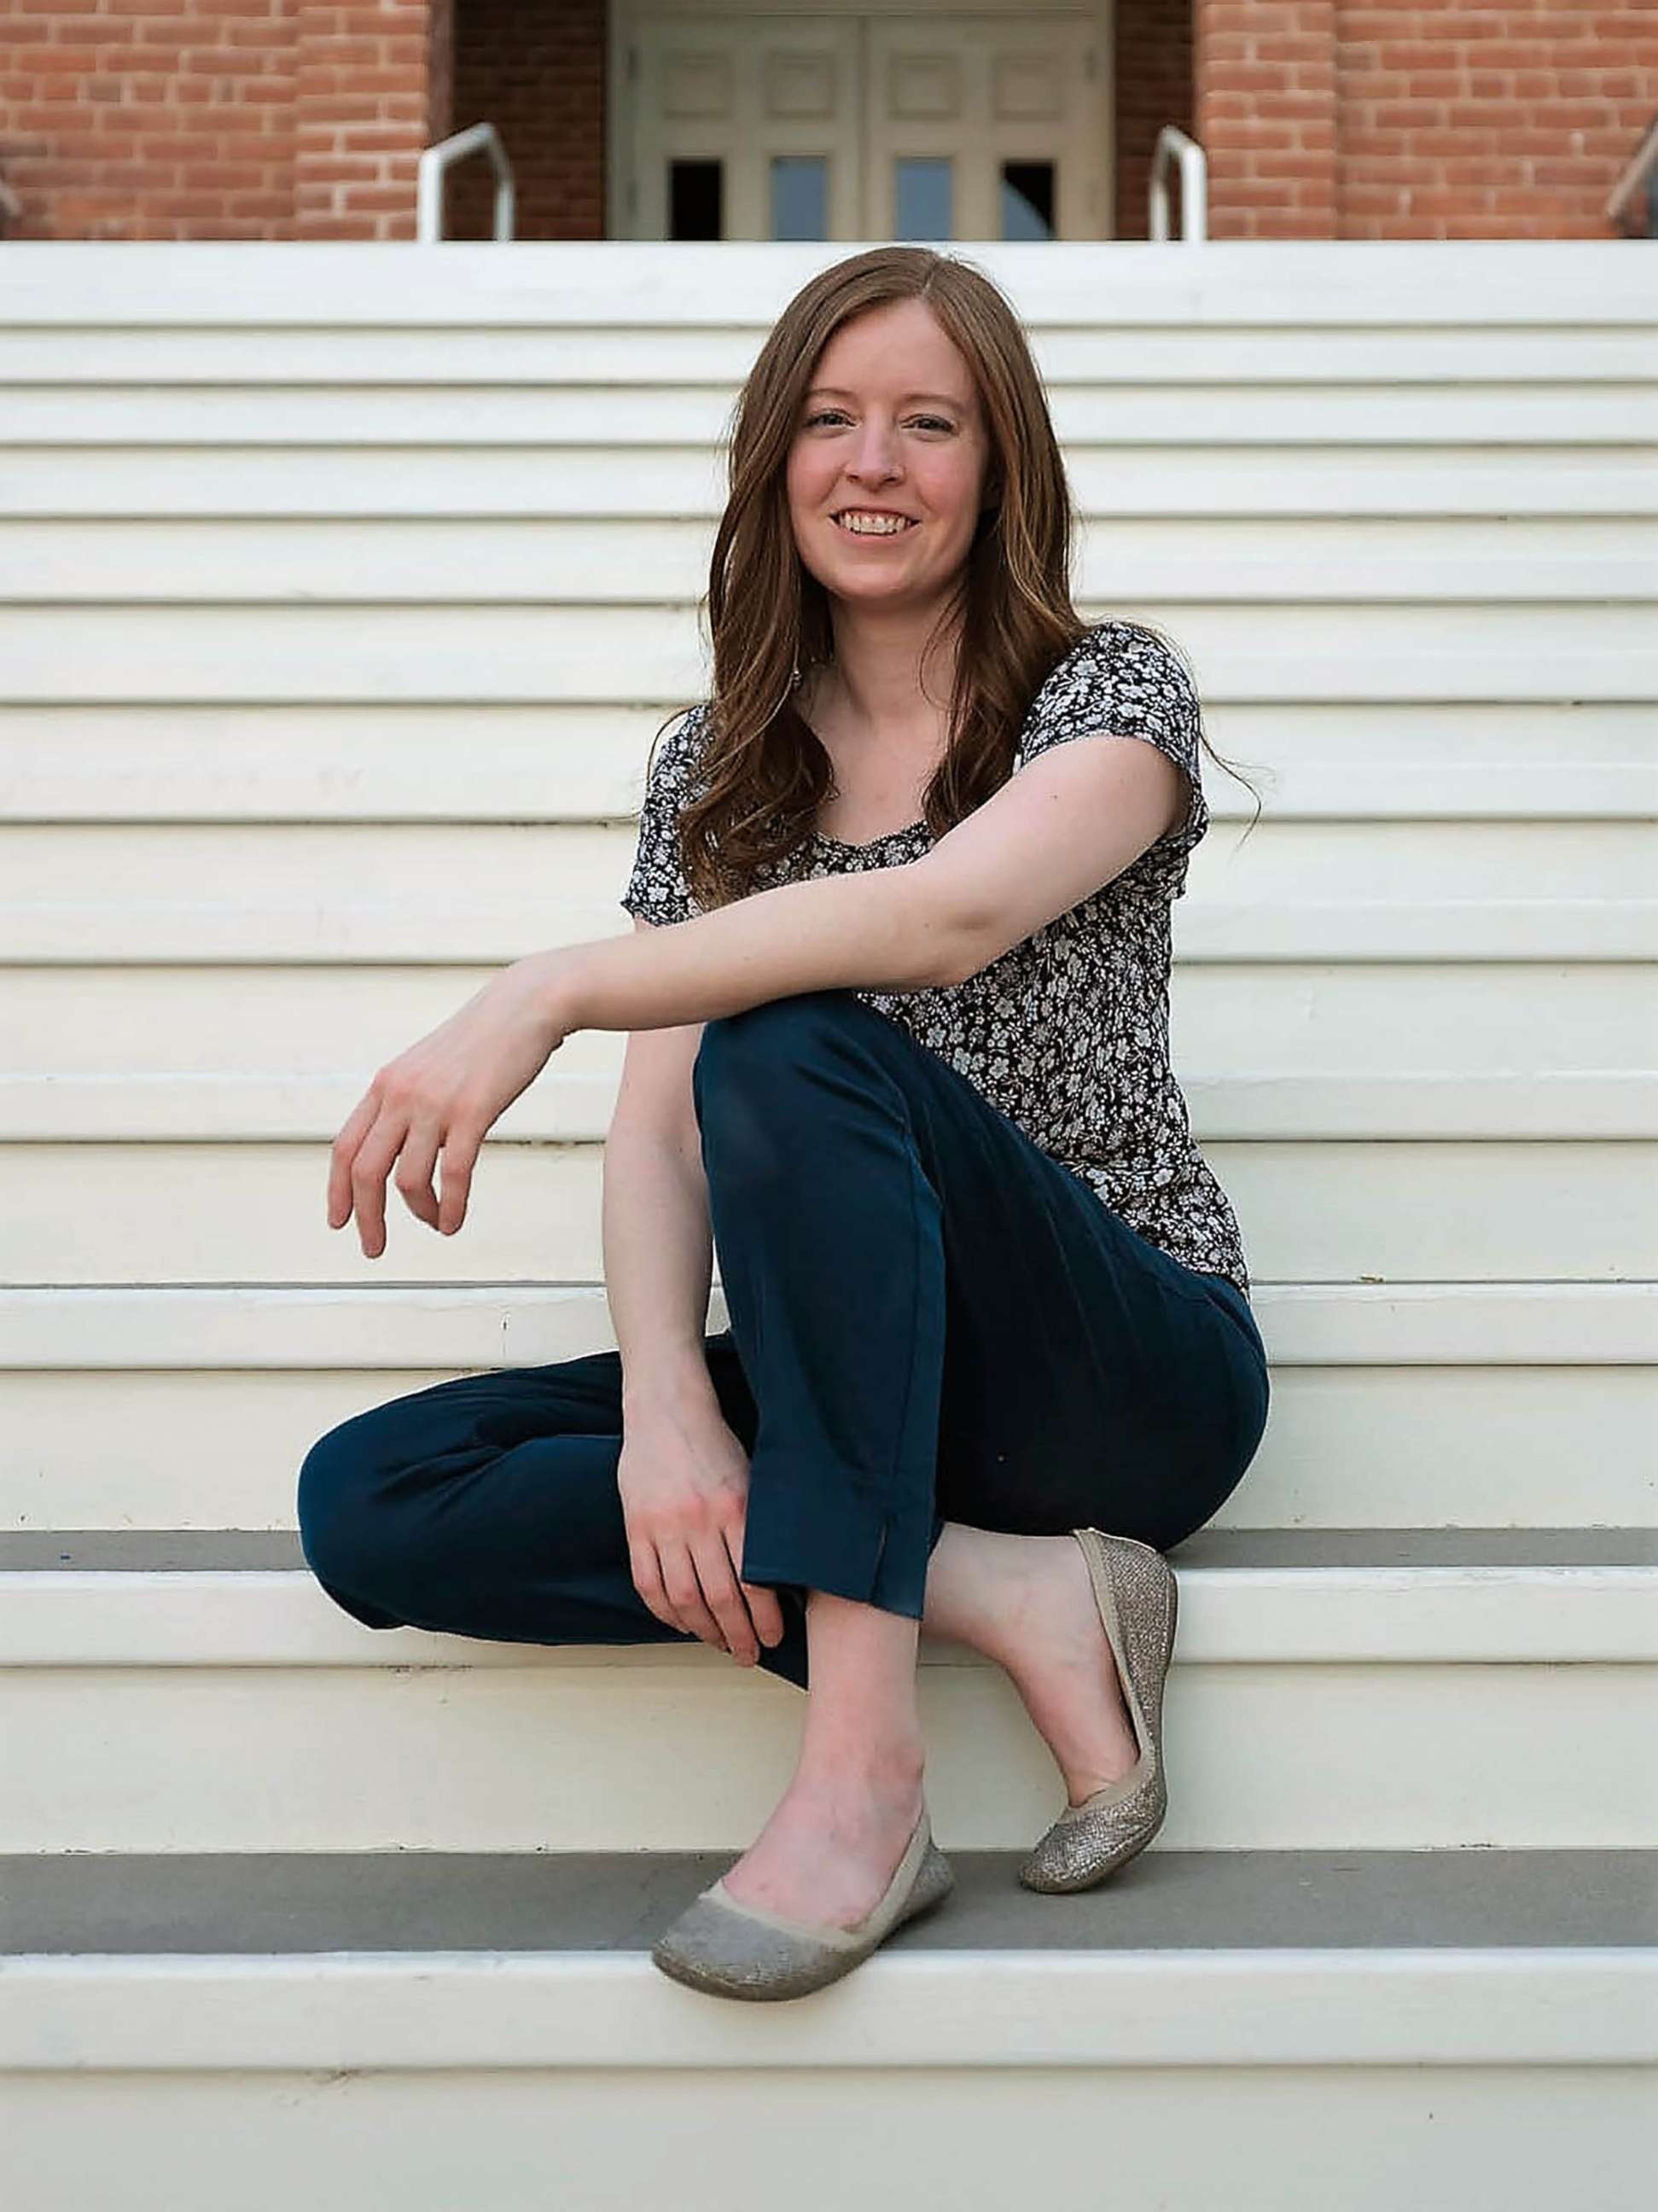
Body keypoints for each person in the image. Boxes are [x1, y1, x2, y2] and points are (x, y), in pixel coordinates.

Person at [296, 245, 1271, 2004]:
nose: (873, 464)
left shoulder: (1109, 696)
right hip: (869, 1395)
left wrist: (550, 985)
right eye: (829, 421)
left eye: (927, 423)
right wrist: (669, 1405)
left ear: (1002, 466)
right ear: (776, 464)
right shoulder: (721, 770)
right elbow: (655, 1140)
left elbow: (945, 917)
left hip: (1121, 1366)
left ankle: (861, 1785)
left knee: (781, 1040)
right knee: (376, 1496)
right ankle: (1017, 1596)